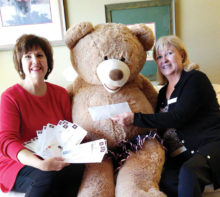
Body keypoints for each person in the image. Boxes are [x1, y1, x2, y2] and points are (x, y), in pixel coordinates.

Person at [111, 35, 220, 197]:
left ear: (181, 55)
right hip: (178, 155)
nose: (164, 60)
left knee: (189, 172)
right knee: (165, 180)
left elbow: (178, 117)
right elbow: (157, 123)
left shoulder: (195, 79)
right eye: (159, 57)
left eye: (169, 53)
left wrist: (135, 118)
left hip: (209, 143)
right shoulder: (162, 93)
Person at [0, 34, 84, 197]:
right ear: (20, 64)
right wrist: (40, 163)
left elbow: (68, 132)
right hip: (18, 163)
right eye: (28, 56)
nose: (35, 61)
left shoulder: (60, 93)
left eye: (40, 55)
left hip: (53, 156)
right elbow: (6, 141)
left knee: (77, 169)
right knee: (48, 176)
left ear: (48, 61)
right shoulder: (9, 97)